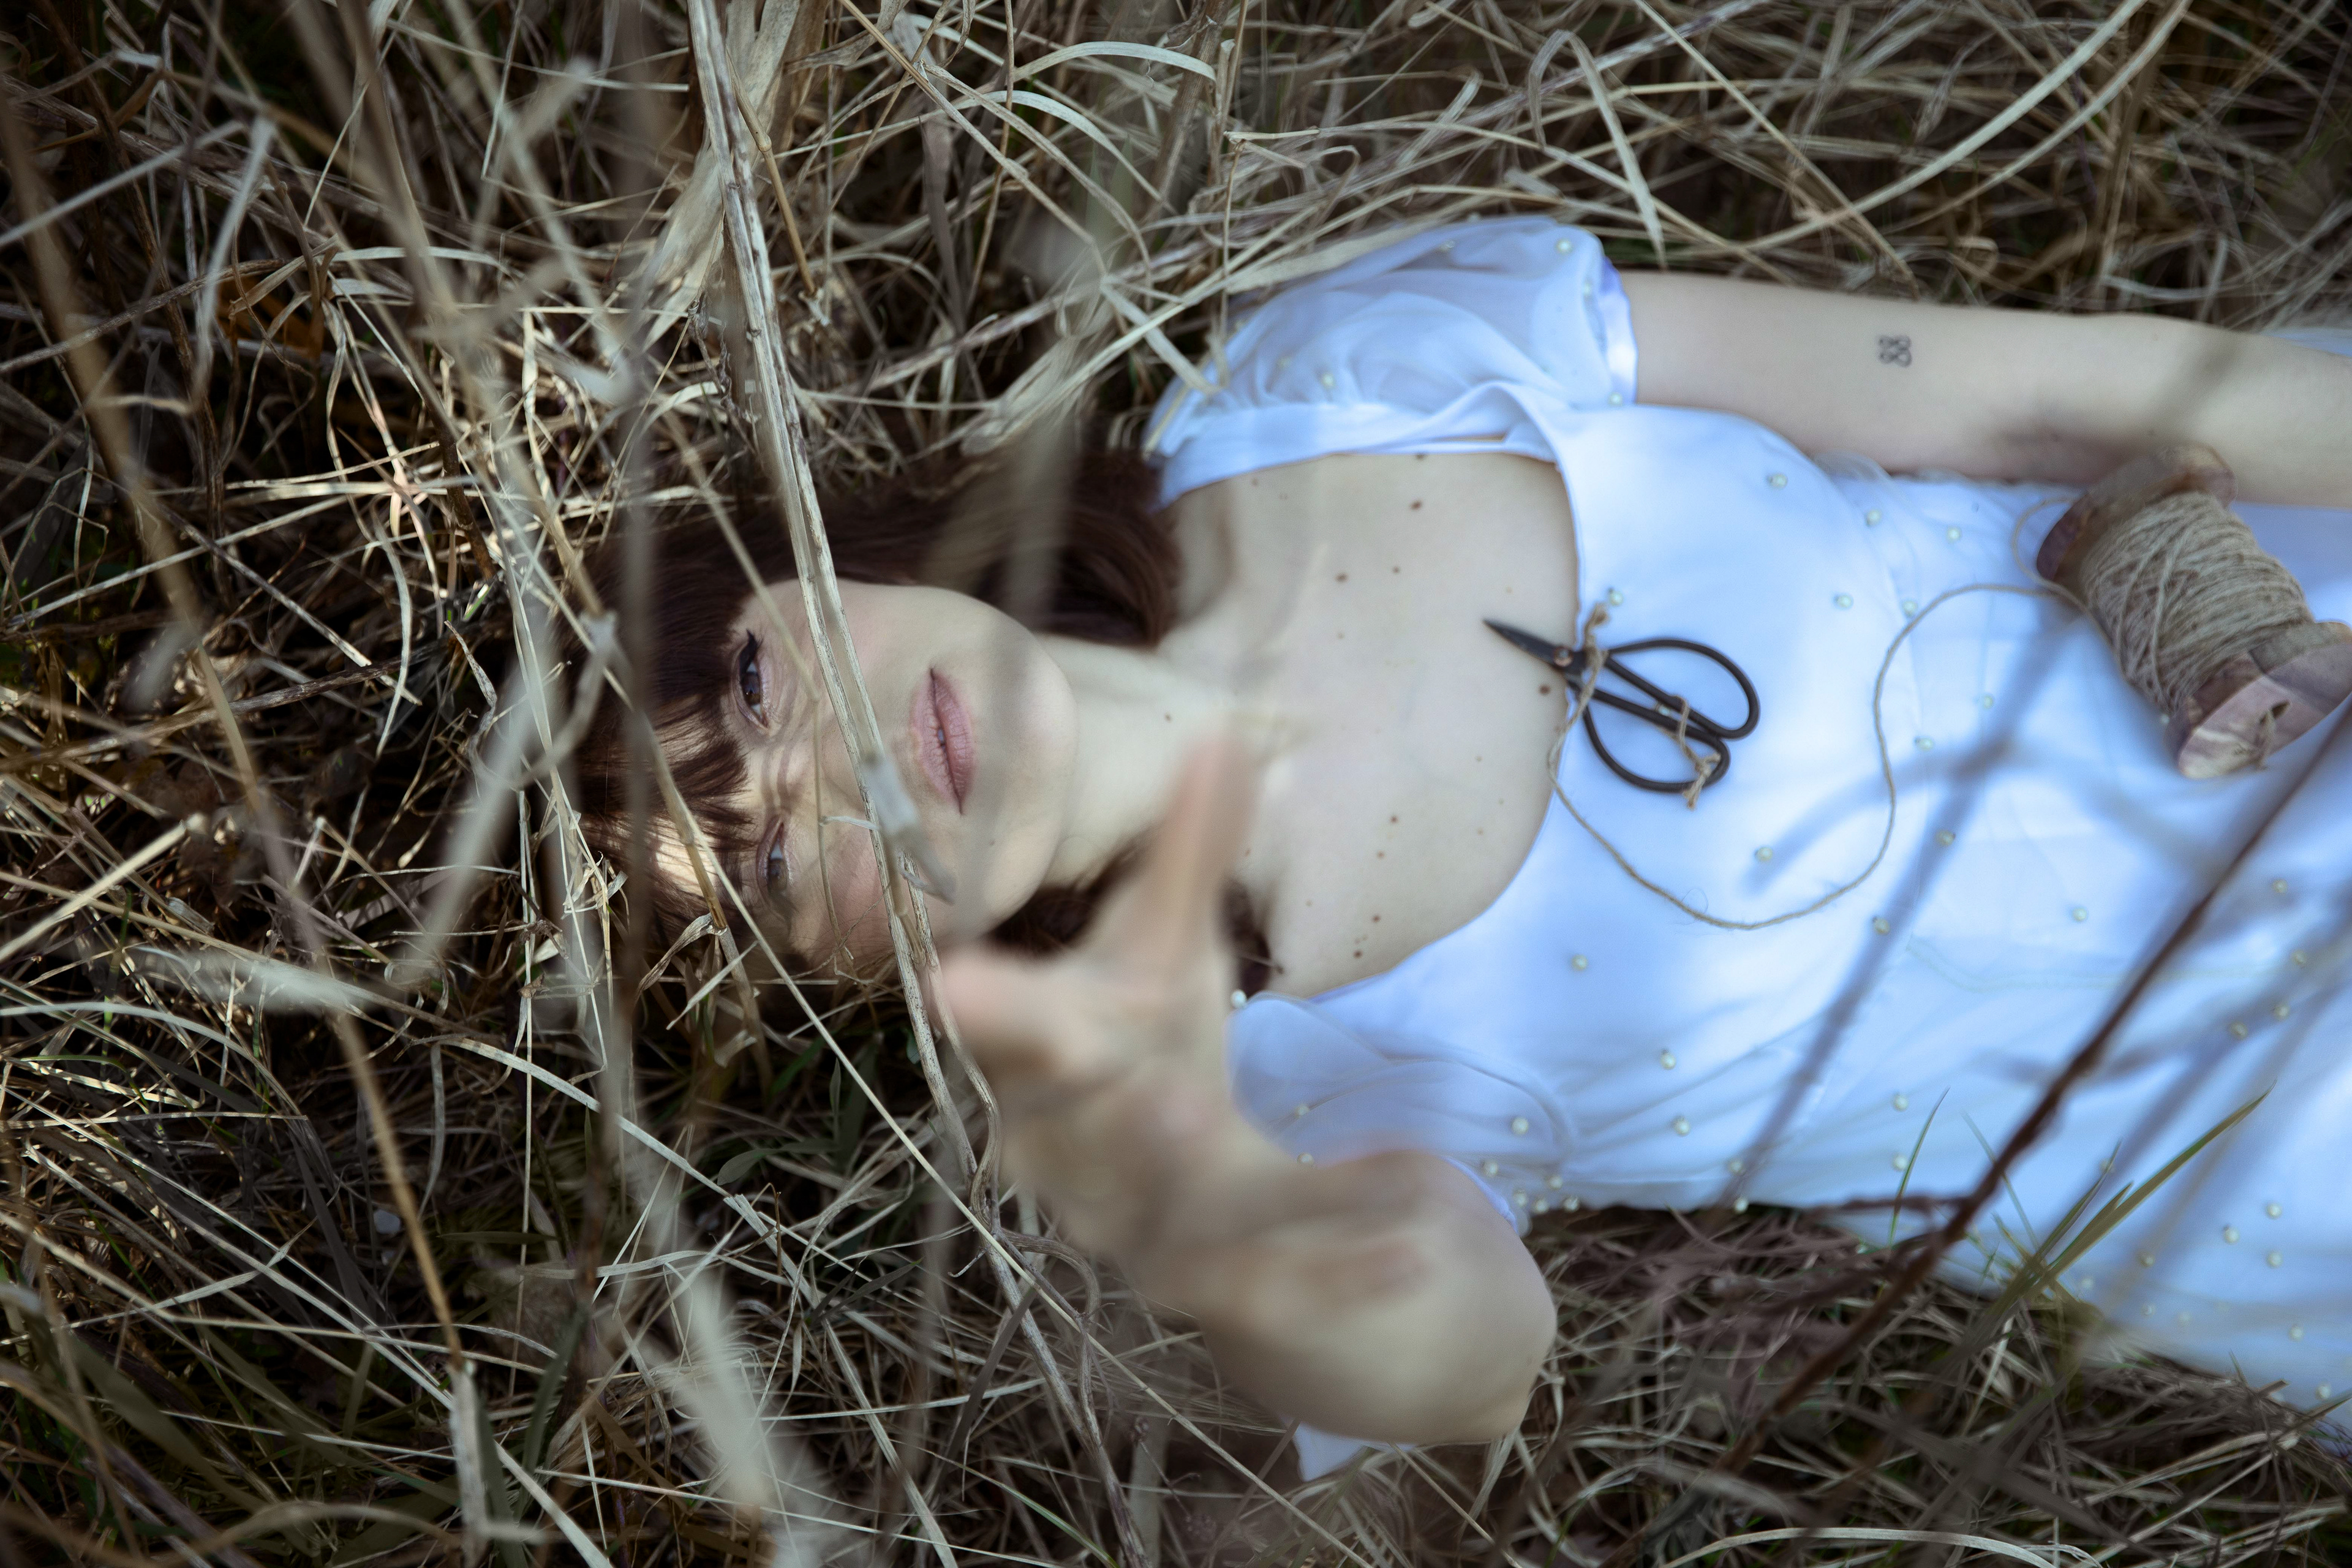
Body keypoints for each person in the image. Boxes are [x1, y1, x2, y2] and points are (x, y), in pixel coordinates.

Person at [577, 217, 2352, 1469]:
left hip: (2273, 601)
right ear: (868, 974)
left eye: (754, 686)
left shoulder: (1341, 378)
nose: (842, 775)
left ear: (828, 565)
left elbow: (2029, 395)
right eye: (774, 860)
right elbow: (1472, 1356)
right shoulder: (1272, 1075)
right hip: (2276, 1102)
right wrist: (1202, 1204)